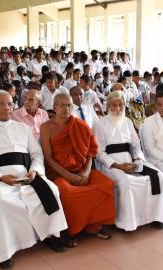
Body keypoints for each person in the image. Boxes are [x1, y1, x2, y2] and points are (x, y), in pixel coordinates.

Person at [0, 91, 67, 268]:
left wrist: (34, 171)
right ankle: (3, 251)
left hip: (26, 176)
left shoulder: (22, 128)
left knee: (51, 190)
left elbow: (36, 154)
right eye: (1, 104)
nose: (7, 107)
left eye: (9, 104)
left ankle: (51, 235)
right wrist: (1, 177)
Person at [40, 93, 115, 246]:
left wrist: (86, 172)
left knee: (105, 184)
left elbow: (91, 151)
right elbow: (48, 158)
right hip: (59, 173)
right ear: (54, 107)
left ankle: (94, 226)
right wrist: (69, 176)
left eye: (69, 105)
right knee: (67, 192)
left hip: (82, 170)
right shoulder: (46, 128)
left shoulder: (80, 124)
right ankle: (71, 231)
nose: (66, 108)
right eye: (61, 105)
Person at [93, 90, 163, 231]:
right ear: (107, 107)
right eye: (114, 105)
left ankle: (156, 216)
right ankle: (127, 222)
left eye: (121, 105)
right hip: (111, 165)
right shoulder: (100, 124)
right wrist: (119, 166)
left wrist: (137, 160)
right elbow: (99, 153)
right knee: (127, 183)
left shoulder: (128, 122)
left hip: (131, 161)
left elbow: (136, 146)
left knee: (158, 176)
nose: (117, 109)